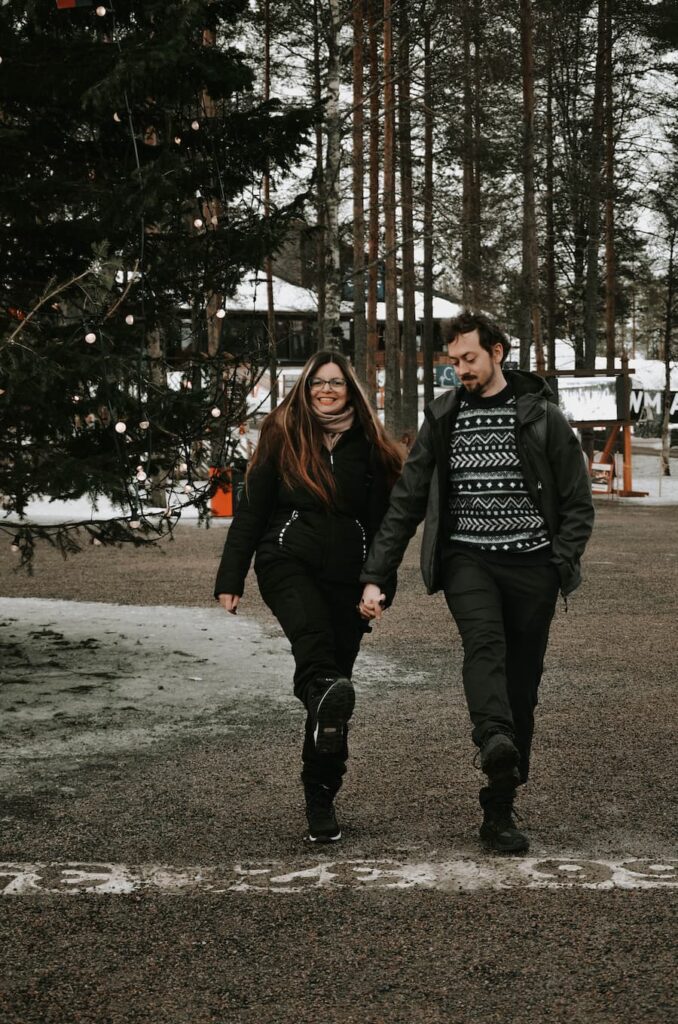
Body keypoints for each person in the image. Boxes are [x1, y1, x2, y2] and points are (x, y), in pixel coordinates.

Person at [360, 312, 594, 853]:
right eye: (454, 361)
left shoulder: (542, 417)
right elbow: (407, 501)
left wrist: (559, 561)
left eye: (469, 359)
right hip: (469, 560)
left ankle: (500, 808)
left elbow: (578, 503)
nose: (460, 369)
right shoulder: (443, 416)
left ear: (498, 352)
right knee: (483, 644)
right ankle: (492, 738)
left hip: (533, 566)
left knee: (521, 688)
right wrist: (376, 575)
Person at [214, 350, 402, 843]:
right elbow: (251, 511)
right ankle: (321, 693)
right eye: (317, 382)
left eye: (336, 383)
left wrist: (379, 586)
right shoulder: (284, 433)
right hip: (286, 560)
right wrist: (230, 578)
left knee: (334, 694)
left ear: (351, 389)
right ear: (305, 387)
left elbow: (386, 528)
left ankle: (320, 796)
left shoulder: (372, 447)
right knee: (314, 647)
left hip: (349, 576)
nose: (326, 390)